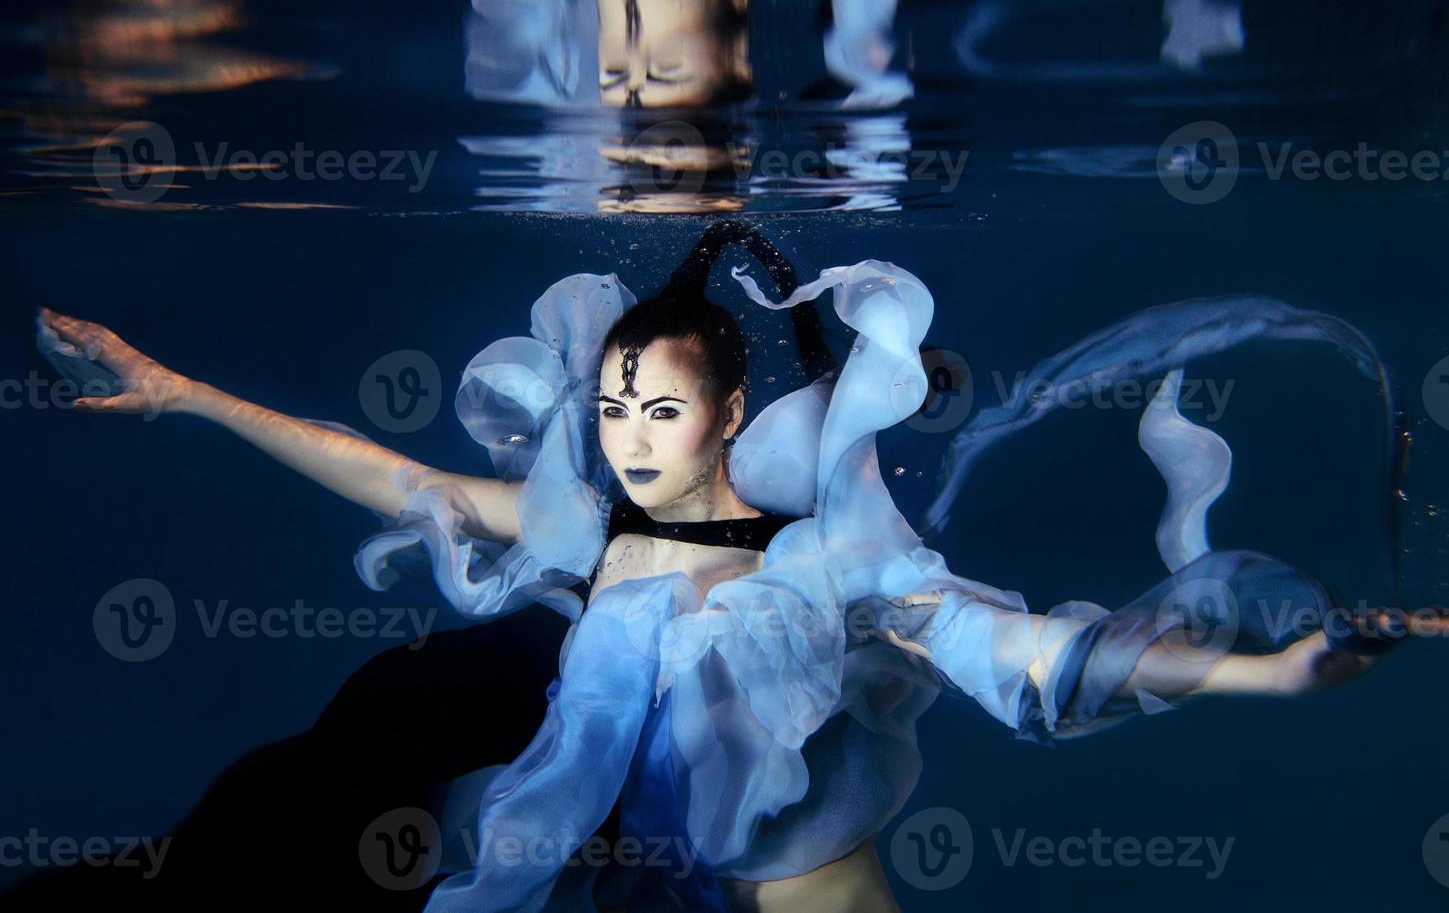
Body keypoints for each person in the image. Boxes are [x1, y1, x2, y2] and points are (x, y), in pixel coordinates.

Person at [30, 219, 1447, 910]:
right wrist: (185, 393)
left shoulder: (827, 553)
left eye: (660, 411)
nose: (631, 438)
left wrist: (1274, 674)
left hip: (786, 876)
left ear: (722, 414)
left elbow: (1026, 656)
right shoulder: (587, 529)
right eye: (611, 410)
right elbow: (399, 476)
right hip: (590, 875)